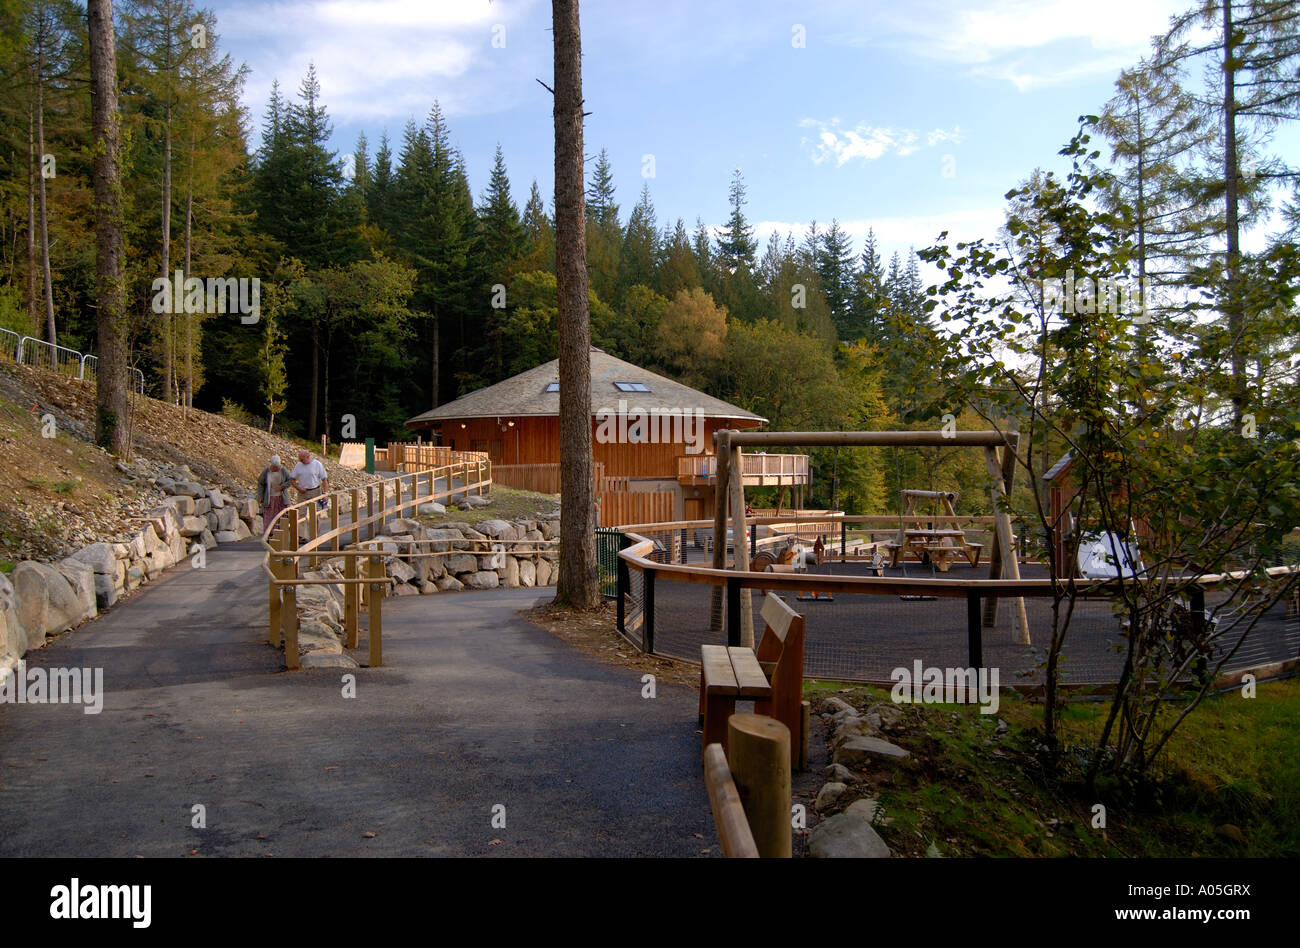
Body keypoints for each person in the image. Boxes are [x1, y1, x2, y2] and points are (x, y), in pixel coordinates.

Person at [258, 455, 291, 524]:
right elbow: (260, 483)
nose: (277, 469)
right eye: (275, 467)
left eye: (278, 467)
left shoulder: (283, 470)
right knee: (269, 516)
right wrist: (260, 495)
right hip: (270, 498)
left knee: (282, 515)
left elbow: (290, 481)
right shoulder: (266, 471)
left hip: (281, 498)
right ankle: (270, 533)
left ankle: (281, 532)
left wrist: (282, 486)